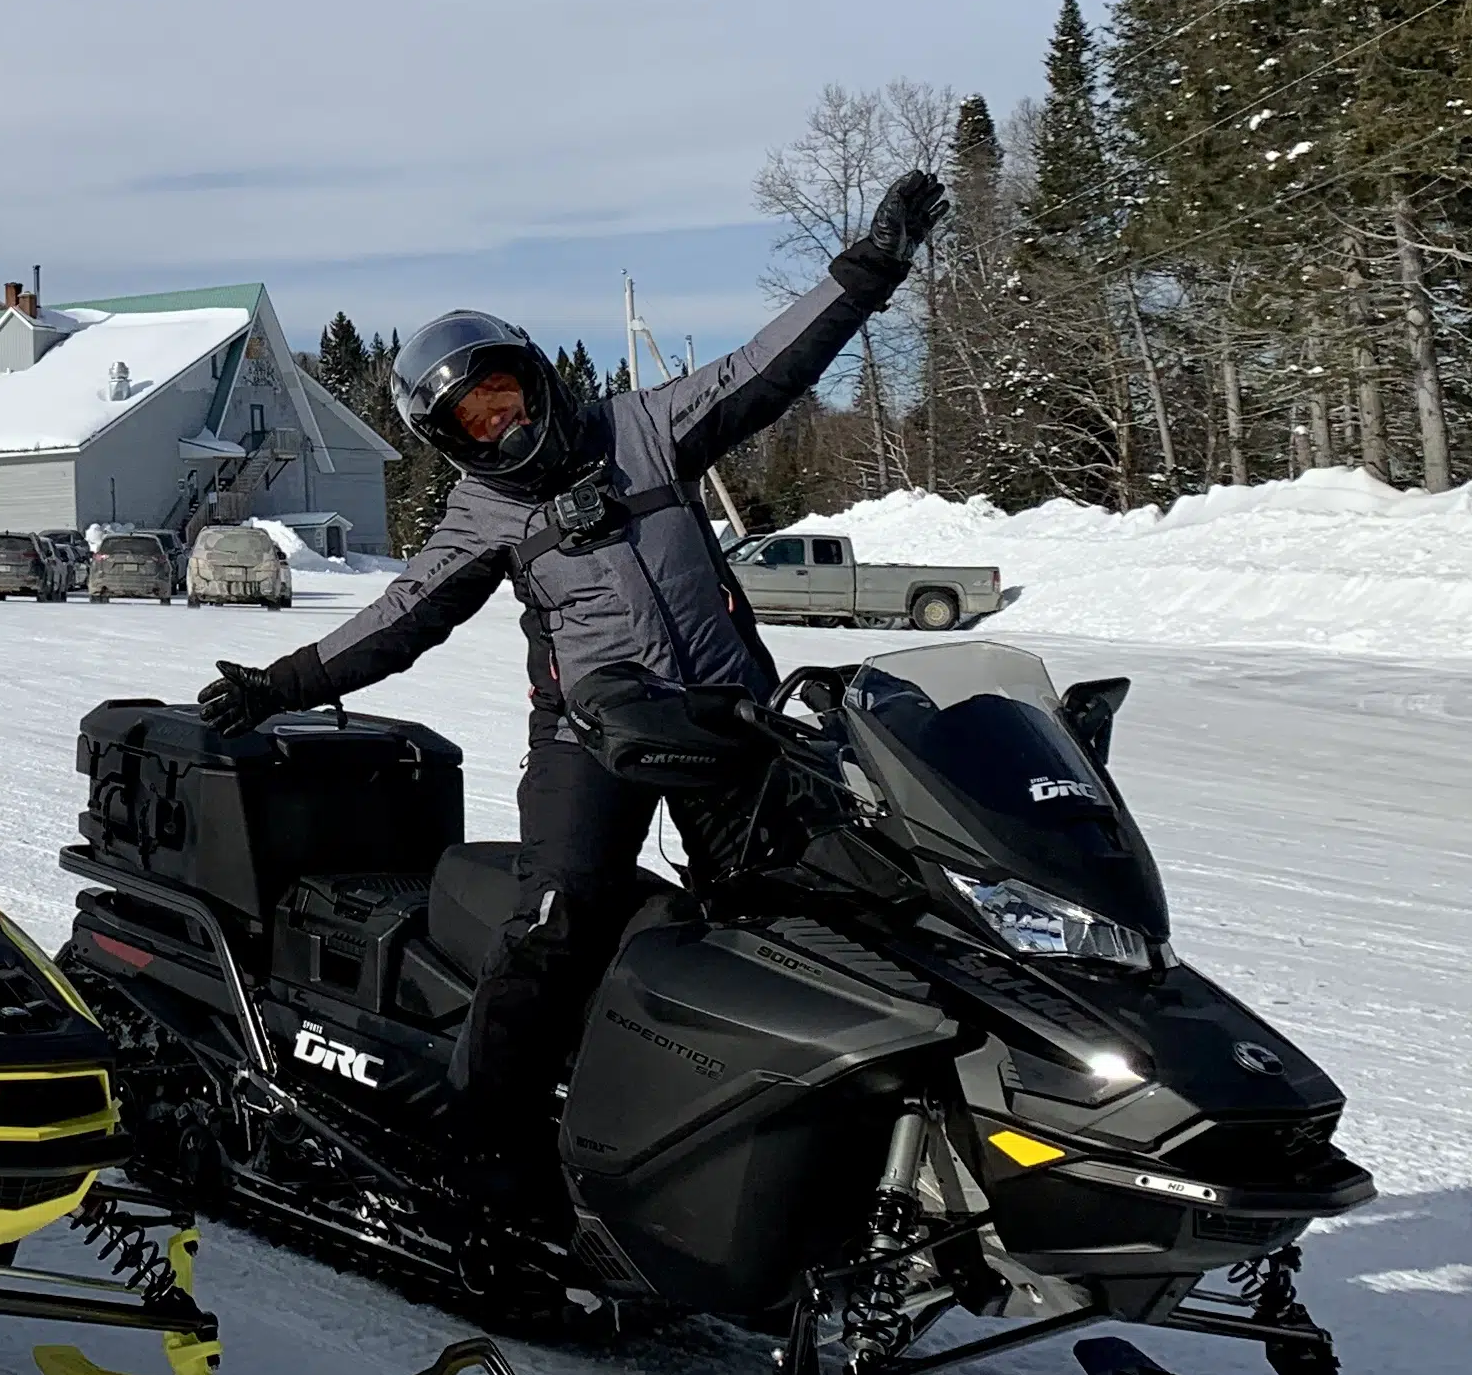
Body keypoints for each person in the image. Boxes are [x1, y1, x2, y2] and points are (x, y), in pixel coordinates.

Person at [196, 170, 947, 1182]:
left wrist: (871, 268)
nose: (501, 428)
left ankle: (790, 1148)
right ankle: (483, 1153)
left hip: (732, 724)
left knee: (806, 917)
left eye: (503, 399)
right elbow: (396, 618)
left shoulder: (644, 430)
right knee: (557, 926)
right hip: (594, 742)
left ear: (533, 375)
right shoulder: (480, 514)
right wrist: (276, 686)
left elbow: (765, 368)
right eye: (473, 424)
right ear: (450, 442)